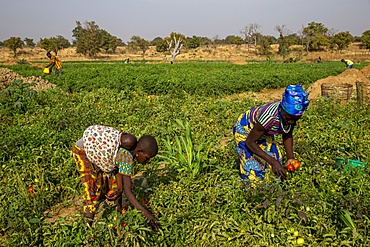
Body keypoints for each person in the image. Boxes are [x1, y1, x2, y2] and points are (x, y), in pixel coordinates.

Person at [72, 125, 160, 231]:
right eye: (147, 158)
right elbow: (128, 191)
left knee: (115, 187)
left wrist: (119, 188)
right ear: (139, 152)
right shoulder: (126, 156)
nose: (147, 162)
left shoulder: (125, 152)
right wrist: (148, 215)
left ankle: (118, 217)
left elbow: (118, 172)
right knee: (93, 193)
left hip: (96, 150)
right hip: (82, 151)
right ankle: (86, 231)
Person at [232, 85, 310, 187]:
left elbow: (287, 134)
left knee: (276, 159)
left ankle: (273, 189)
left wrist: (290, 158)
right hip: (246, 130)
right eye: (288, 118)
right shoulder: (270, 116)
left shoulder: (291, 116)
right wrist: (273, 162)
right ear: (282, 109)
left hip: (264, 131)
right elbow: (250, 142)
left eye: (295, 119)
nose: (291, 121)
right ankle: (252, 194)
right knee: (253, 167)